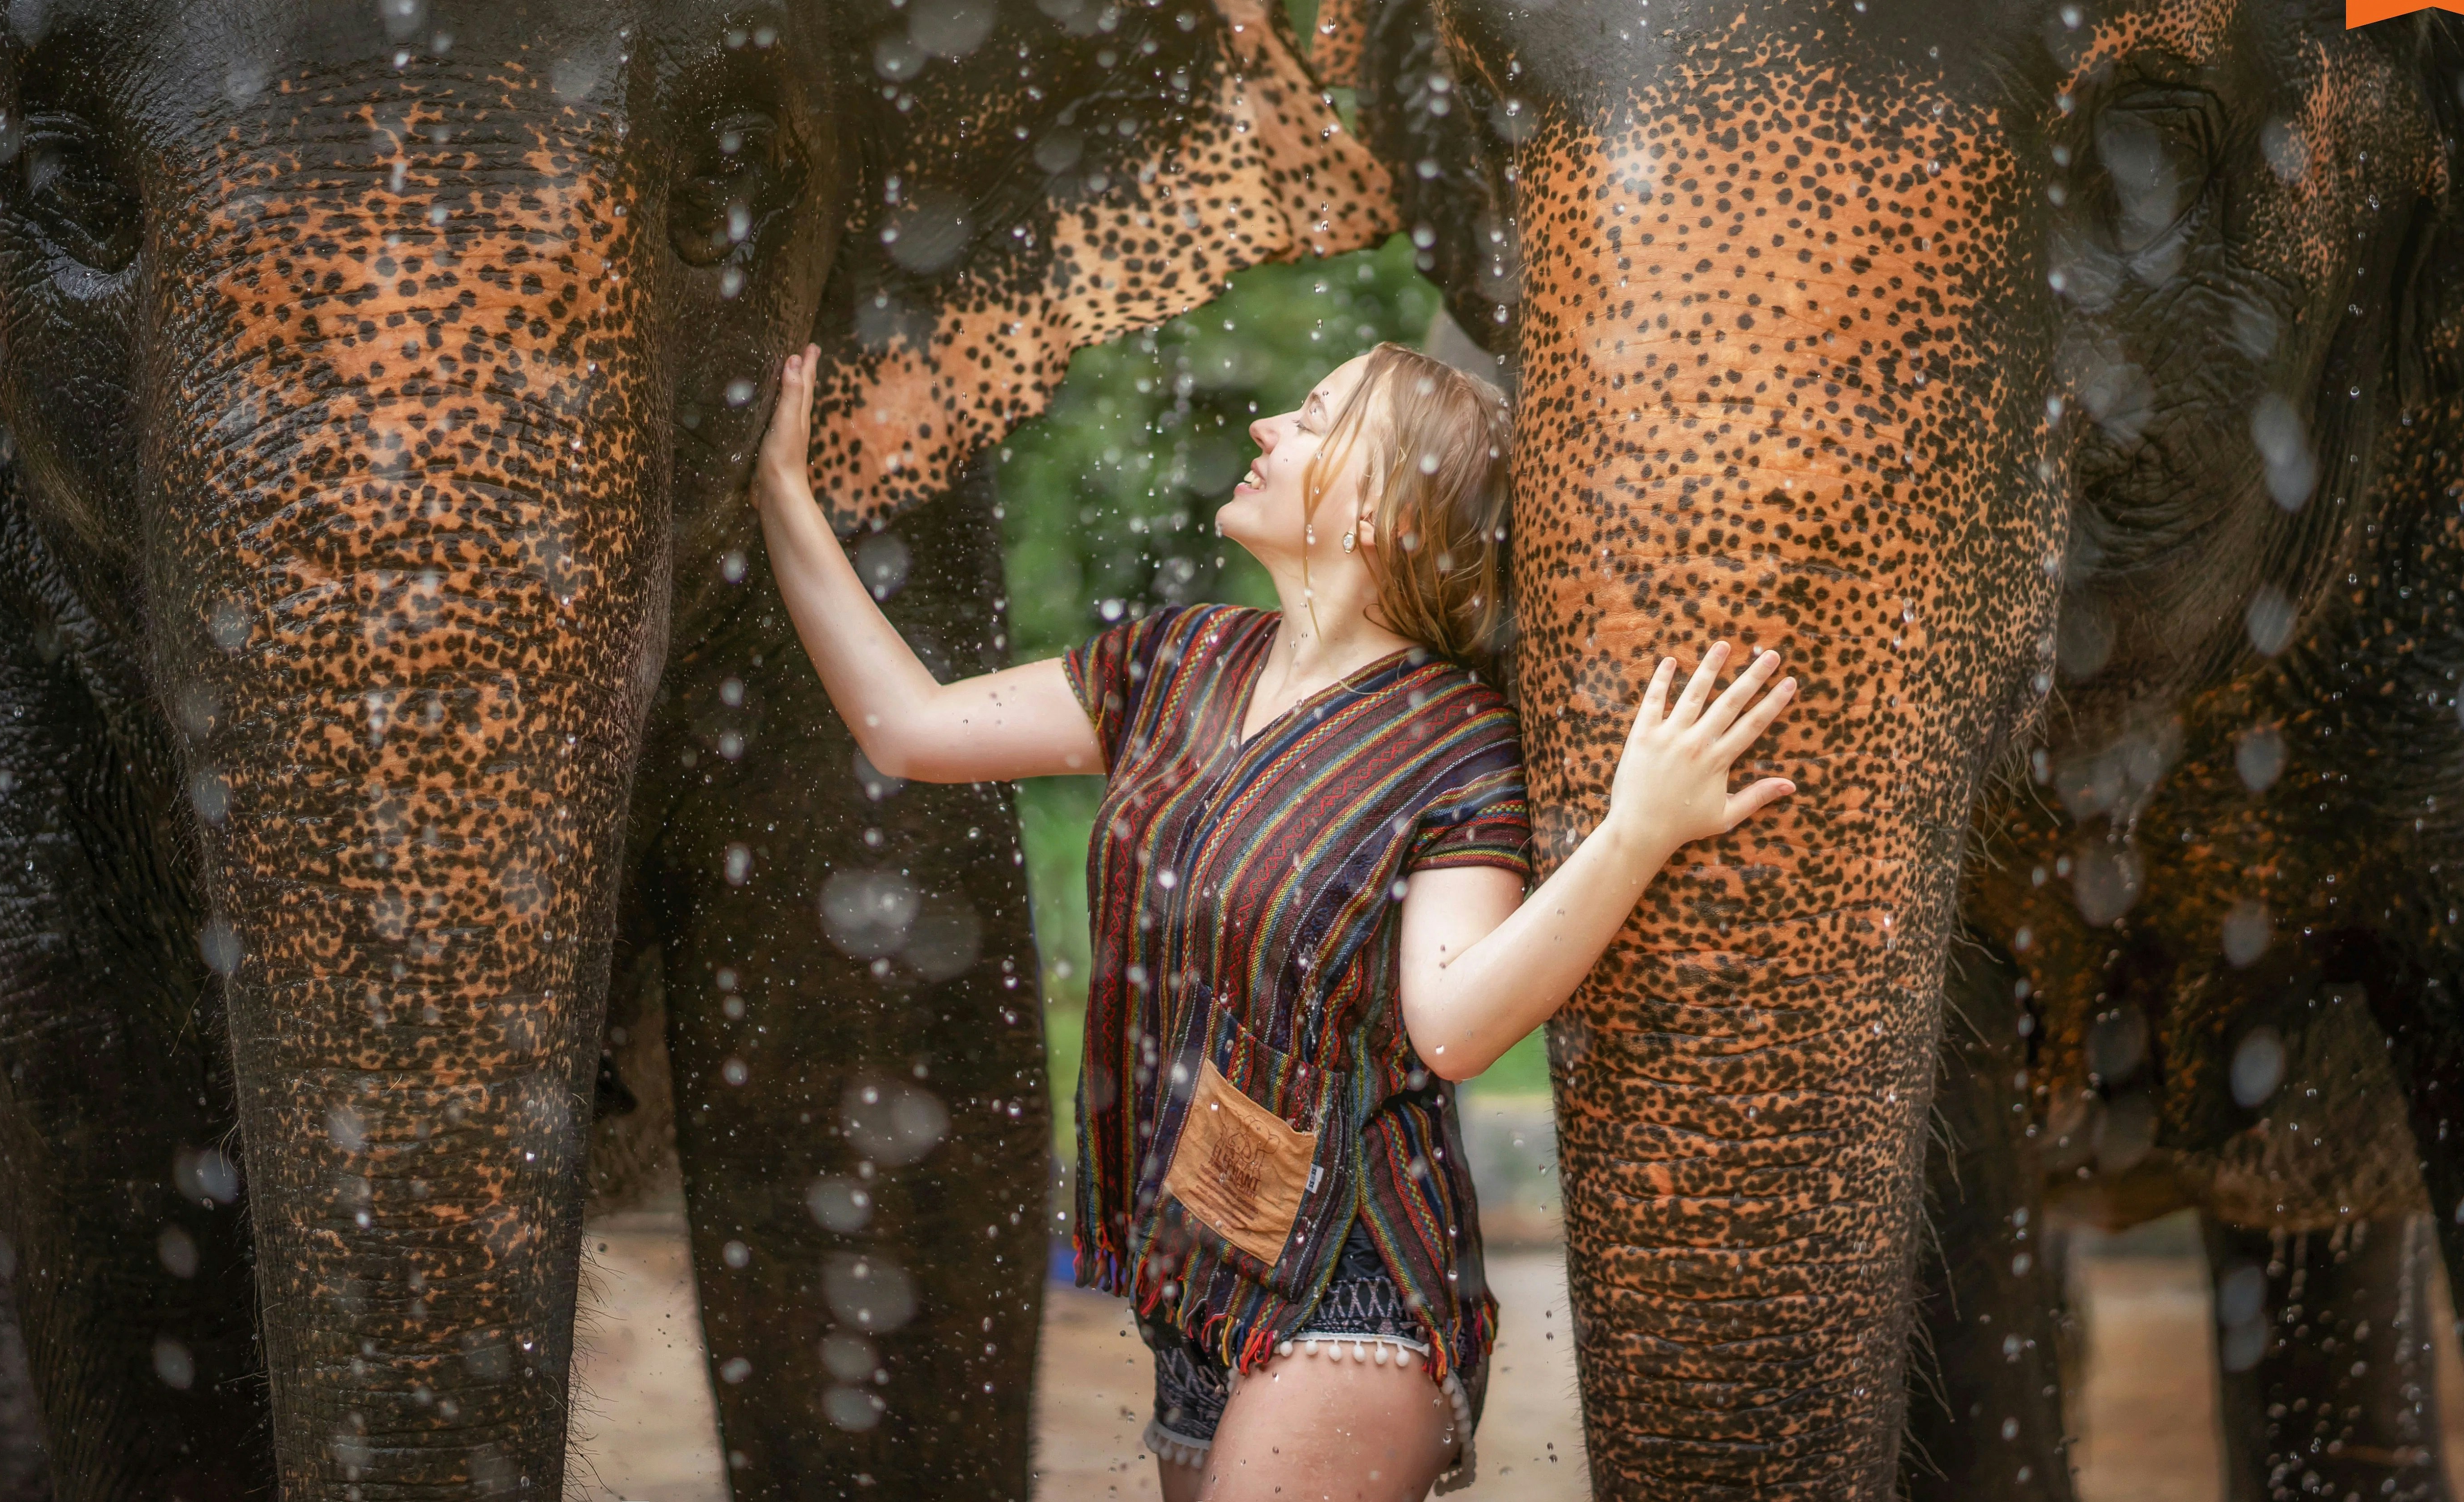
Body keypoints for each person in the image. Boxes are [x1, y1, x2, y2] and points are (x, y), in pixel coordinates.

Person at [753, 339, 1796, 1501]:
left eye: (1313, 418)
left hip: (1356, 1283)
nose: (1265, 432)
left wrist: (1636, 832)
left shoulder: (1456, 745)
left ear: (1388, 511)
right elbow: (910, 728)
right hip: (1199, 1277)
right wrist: (782, 496)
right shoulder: (1181, 661)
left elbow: (1452, 1026)